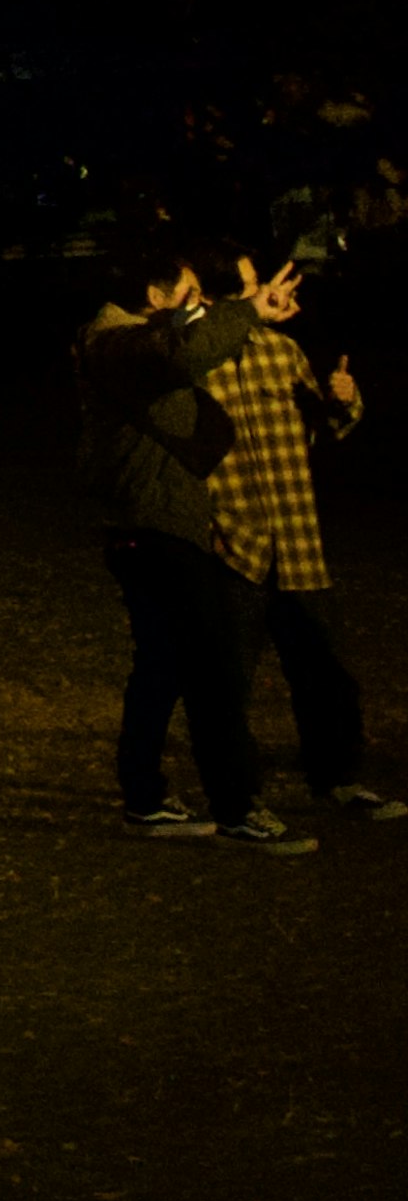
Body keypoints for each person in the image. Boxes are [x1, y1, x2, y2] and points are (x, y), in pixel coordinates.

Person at [71, 241, 300, 846]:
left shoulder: (121, 340)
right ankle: (234, 806)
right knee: (210, 666)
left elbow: (188, 349)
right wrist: (248, 309)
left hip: (147, 523)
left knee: (164, 662)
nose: (199, 307)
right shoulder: (117, 342)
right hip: (157, 524)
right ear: (154, 297)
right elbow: (186, 352)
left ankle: (144, 795)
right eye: (191, 295)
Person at [201, 252, 397, 825]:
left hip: (296, 538)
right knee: (228, 683)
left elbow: (328, 425)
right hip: (233, 541)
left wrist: (343, 400)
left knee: (325, 673)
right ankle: (240, 798)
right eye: (249, 284)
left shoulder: (281, 351)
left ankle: (337, 778)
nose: (263, 290)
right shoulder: (194, 363)